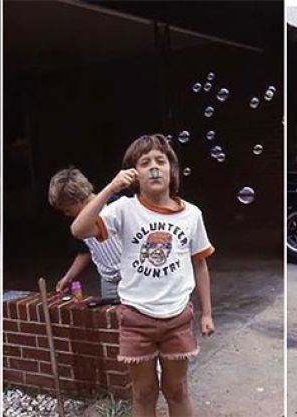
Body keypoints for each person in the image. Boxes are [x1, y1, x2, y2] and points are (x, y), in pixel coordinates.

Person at [71, 133, 215, 417]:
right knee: (144, 392)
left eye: (160, 161)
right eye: (144, 162)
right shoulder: (124, 209)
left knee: (177, 390)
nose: (154, 166)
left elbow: (200, 264)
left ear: (171, 170)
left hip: (177, 317)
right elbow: (79, 229)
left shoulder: (192, 215)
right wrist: (111, 188)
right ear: (134, 174)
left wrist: (207, 313)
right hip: (136, 318)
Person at [47, 167, 122, 300]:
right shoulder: (81, 224)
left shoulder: (117, 205)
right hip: (108, 279)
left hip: (132, 276)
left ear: (78, 199)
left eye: (68, 209)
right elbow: (84, 250)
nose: (66, 214)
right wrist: (69, 277)